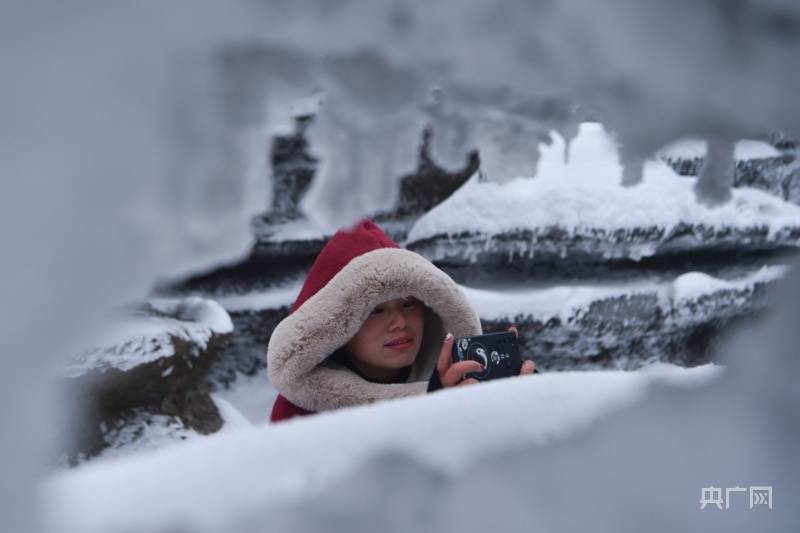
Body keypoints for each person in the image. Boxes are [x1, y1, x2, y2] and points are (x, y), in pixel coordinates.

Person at [268, 218, 535, 422]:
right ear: (335, 325)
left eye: (409, 304)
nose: (399, 322)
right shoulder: (300, 414)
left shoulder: (463, 379)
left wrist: (520, 407)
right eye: (375, 310)